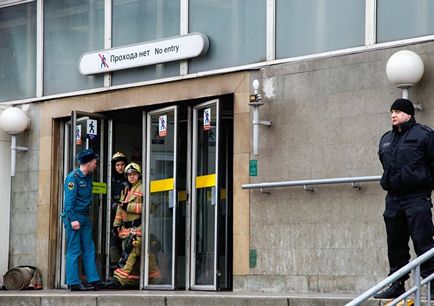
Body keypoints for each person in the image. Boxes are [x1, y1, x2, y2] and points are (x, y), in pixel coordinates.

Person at [375, 98, 434, 299]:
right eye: (392, 111)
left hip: (417, 197)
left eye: (398, 111)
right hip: (393, 198)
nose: (393, 115)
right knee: (395, 243)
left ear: (409, 114)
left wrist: (425, 186)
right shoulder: (386, 139)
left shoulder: (424, 135)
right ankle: (397, 283)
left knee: (423, 241)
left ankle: (432, 284)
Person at [62, 149, 105, 291]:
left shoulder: (89, 176)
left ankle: (94, 280)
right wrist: (73, 220)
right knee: (74, 249)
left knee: (89, 248)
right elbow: (68, 203)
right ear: (88, 163)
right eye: (94, 162)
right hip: (74, 217)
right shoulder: (72, 178)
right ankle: (73, 282)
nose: (96, 164)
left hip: (85, 217)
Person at [109, 162, 144, 289]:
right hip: (126, 229)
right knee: (135, 257)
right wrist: (116, 225)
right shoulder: (125, 190)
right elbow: (120, 209)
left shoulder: (143, 188)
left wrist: (128, 206)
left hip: (138, 228)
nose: (132, 177)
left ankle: (119, 279)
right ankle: (137, 280)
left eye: (134, 174)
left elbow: (150, 207)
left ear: (139, 175)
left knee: (130, 253)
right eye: (129, 175)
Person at [109, 152, 128, 273]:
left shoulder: (130, 179)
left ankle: (125, 270)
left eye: (122, 164)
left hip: (127, 216)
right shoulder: (111, 180)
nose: (120, 167)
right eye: (117, 165)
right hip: (113, 216)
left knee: (127, 244)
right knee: (113, 243)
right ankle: (114, 271)